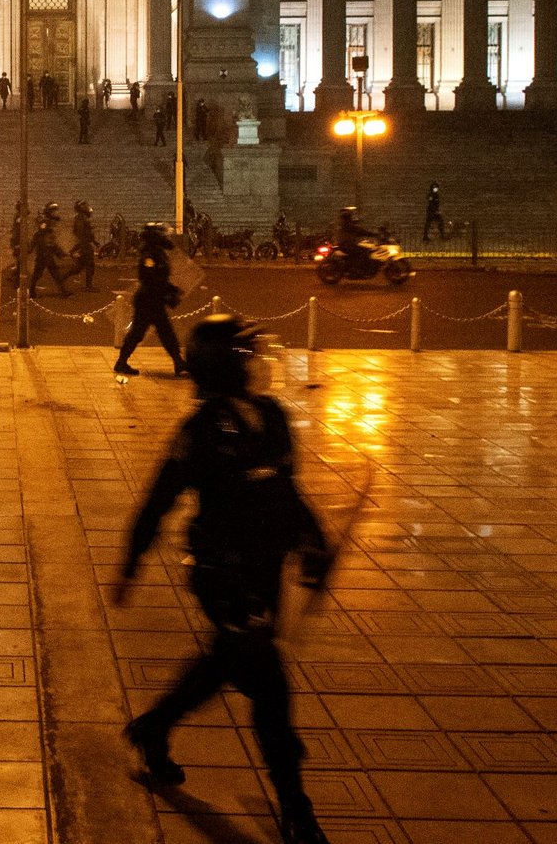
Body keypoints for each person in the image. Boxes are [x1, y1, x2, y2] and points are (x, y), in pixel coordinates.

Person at [115, 314, 332, 844]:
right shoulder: (201, 432)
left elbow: (287, 489)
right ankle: (295, 809)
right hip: (223, 574)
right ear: (222, 366)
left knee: (227, 663)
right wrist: (131, 562)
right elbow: (158, 501)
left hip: (266, 570)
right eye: (245, 356)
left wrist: (313, 541)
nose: (257, 364)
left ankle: (153, 728)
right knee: (269, 688)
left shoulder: (273, 415)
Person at [114, 222, 184, 377]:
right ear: (156, 237)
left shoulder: (157, 252)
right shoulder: (149, 255)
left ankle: (178, 362)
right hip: (148, 300)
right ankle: (121, 362)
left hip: (154, 299)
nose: (167, 237)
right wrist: (167, 292)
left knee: (163, 331)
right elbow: (150, 279)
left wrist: (170, 289)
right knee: (142, 333)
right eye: (163, 234)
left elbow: (160, 278)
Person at [27, 202, 72, 297]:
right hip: (44, 252)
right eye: (53, 211)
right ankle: (32, 292)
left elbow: (50, 239)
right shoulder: (45, 222)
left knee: (44, 273)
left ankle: (32, 292)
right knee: (47, 272)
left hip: (46, 252)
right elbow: (40, 236)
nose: (55, 213)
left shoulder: (49, 221)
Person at [67, 200, 98, 292]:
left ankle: (61, 277)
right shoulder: (79, 218)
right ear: (80, 207)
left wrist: (94, 241)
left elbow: (87, 232)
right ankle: (88, 286)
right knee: (89, 265)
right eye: (84, 205)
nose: (86, 206)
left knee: (78, 268)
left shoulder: (83, 217)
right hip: (85, 245)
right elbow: (81, 234)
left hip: (85, 244)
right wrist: (81, 247)